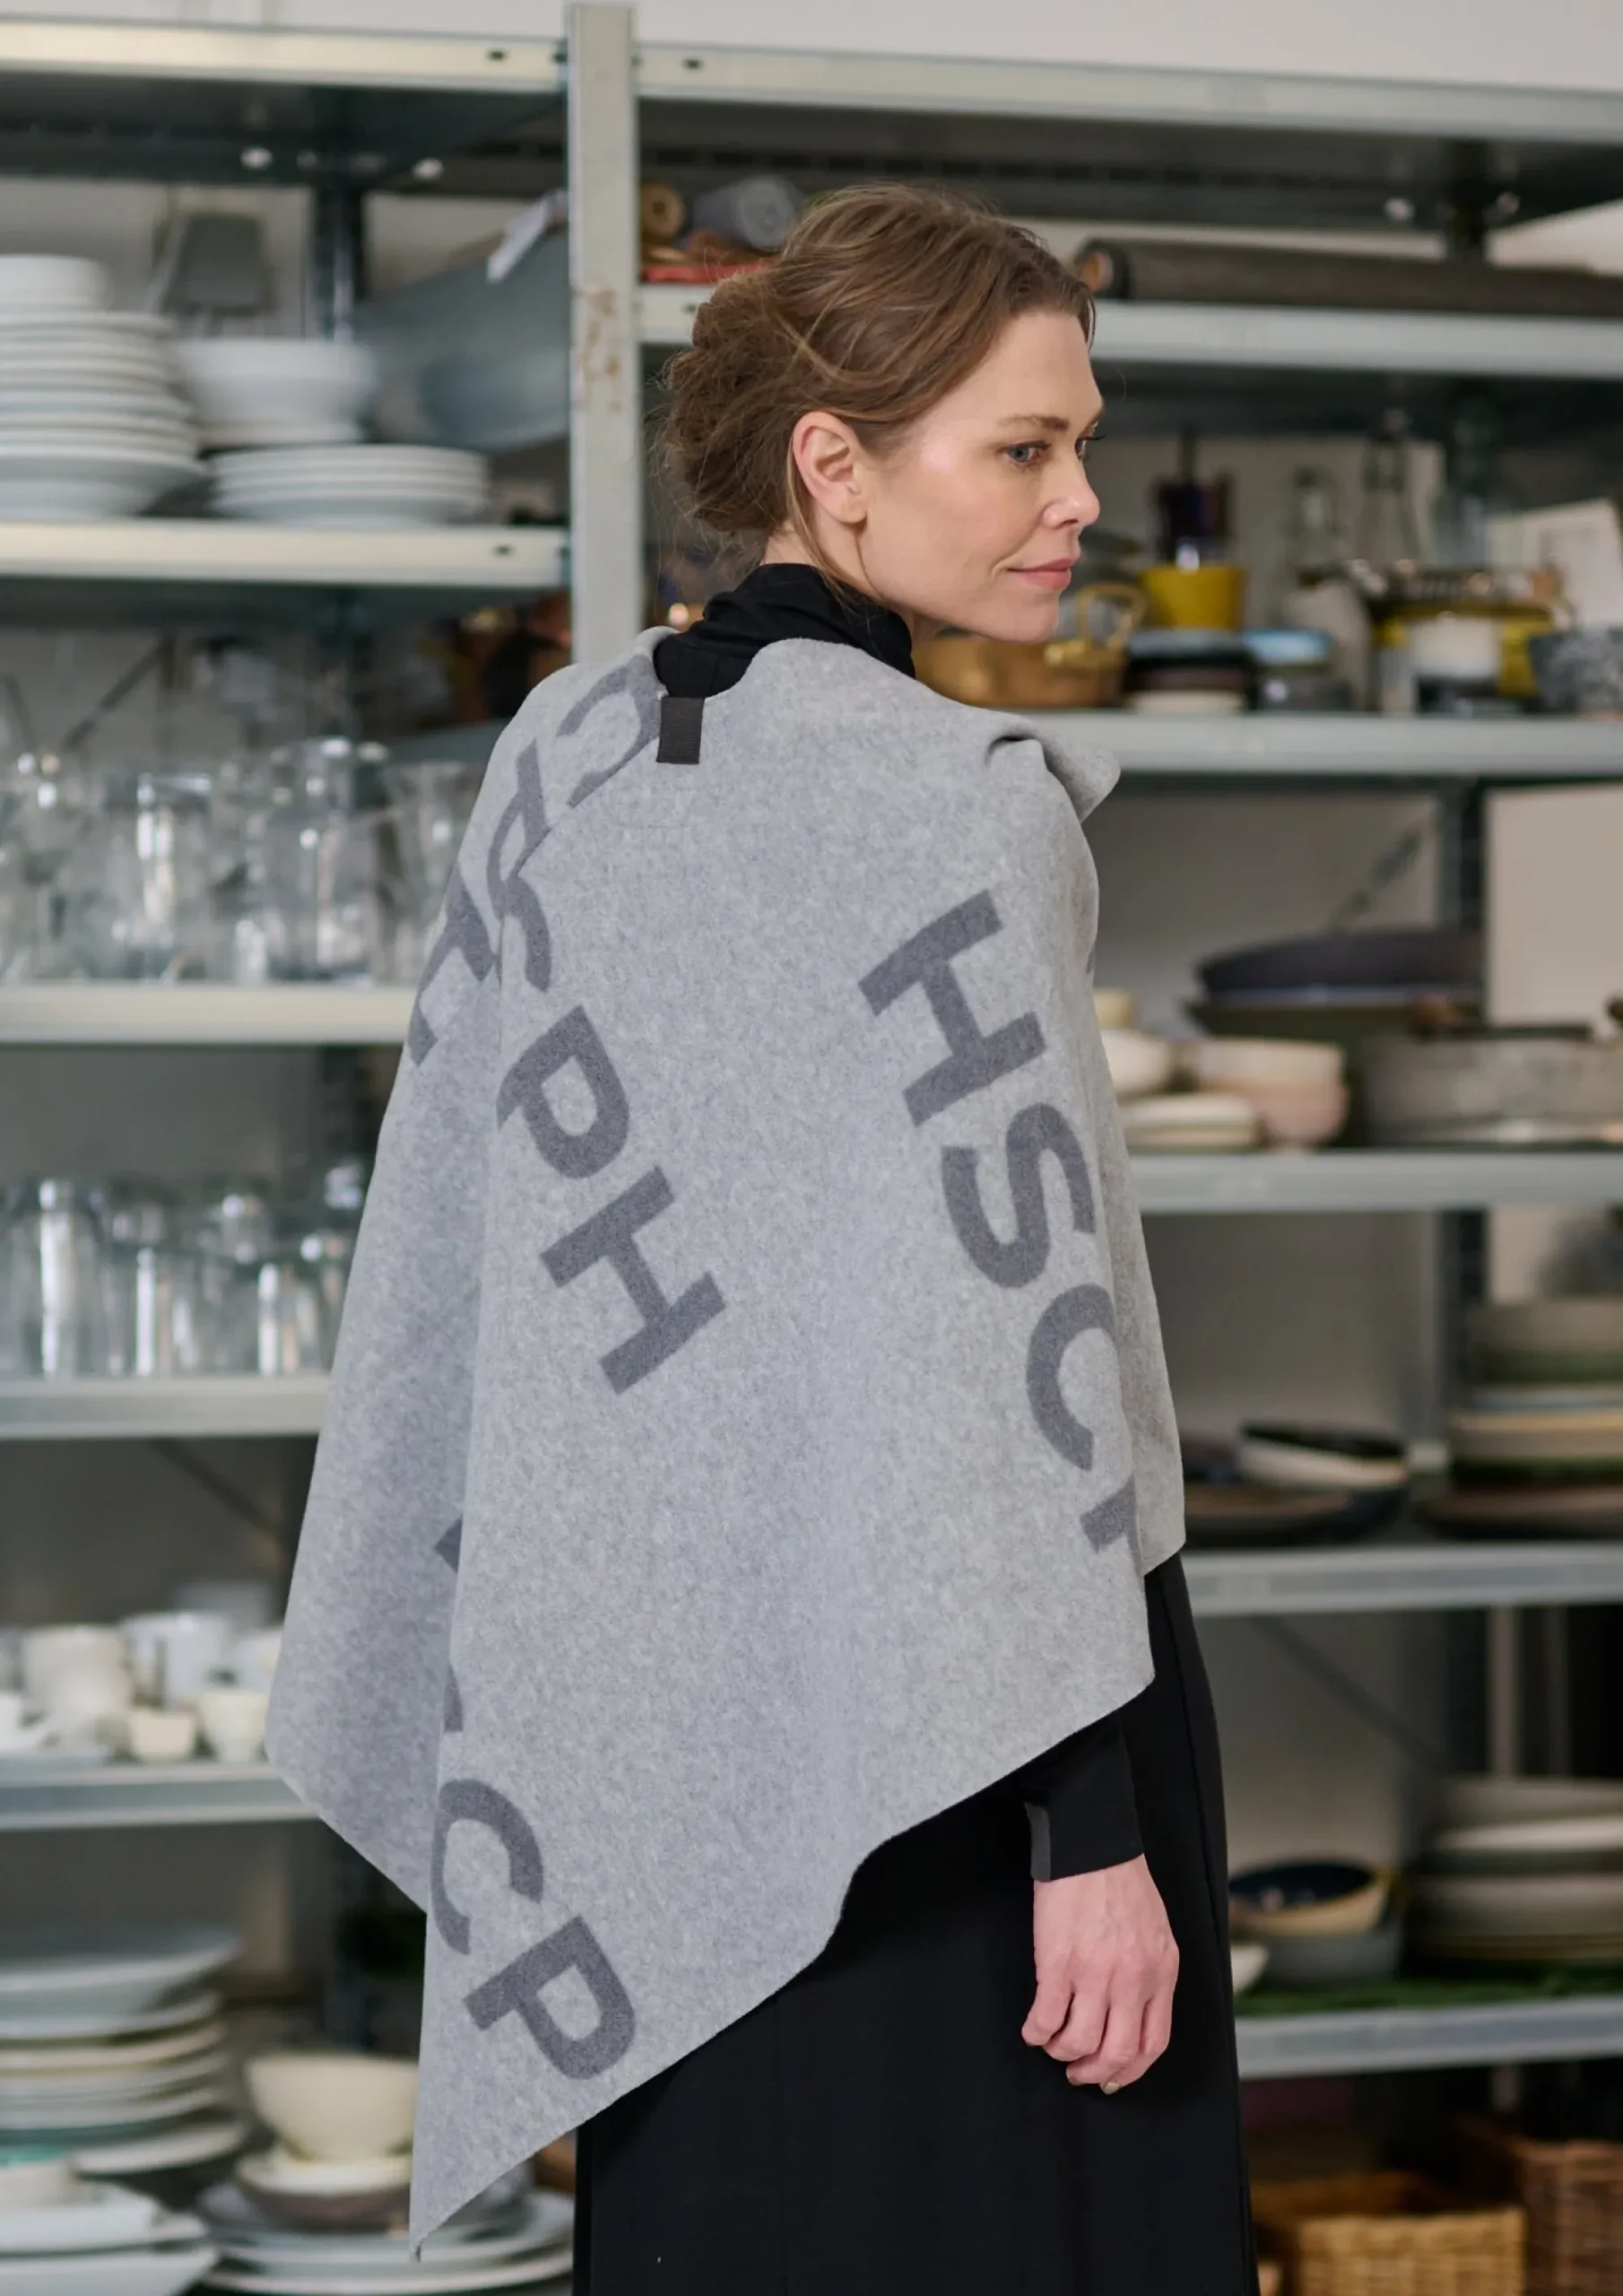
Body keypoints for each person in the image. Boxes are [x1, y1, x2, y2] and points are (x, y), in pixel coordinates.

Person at [268, 186, 1255, 2295]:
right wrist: (1093, 1837)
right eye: (1023, 447)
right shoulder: (966, 799)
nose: (1080, 502)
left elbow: (485, 1304)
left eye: (1081, 443)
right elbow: (1034, 1384)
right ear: (834, 463)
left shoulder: (559, 752)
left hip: (666, 1730)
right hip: (981, 1753)